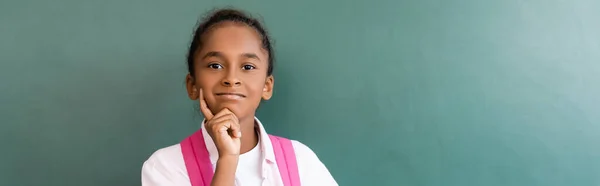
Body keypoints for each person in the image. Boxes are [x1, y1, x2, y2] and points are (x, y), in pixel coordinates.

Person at [141, 8, 338, 186]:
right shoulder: (165, 166)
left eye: (248, 67)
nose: (231, 79)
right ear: (192, 86)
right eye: (215, 65)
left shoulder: (300, 160)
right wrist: (227, 160)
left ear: (267, 87)